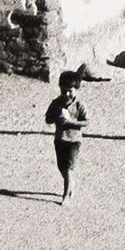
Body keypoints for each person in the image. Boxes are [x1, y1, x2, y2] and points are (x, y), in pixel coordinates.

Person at [45, 69, 87, 201]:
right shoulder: (56, 103)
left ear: (77, 90)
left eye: (70, 91)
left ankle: (66, 196)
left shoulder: (80, 105)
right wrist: (57, 117)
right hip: (60, 139)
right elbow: (48, 119)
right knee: (62, 168)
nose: (67, 94)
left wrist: (71, 122)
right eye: (64, 91)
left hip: (74, 141)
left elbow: (87, 122)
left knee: (69, 168)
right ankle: (71, 184)